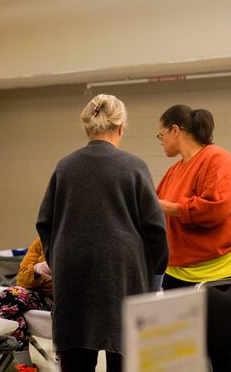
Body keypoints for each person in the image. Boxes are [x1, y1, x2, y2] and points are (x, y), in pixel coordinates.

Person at [36, 94, 169, 372]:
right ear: (121, 127)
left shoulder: (65, 166)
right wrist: (155, 278)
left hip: (73, 272)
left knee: (76, 350)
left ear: (87, 128)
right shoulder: (134, 166)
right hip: (124, 272)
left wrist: (57, 260)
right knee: (125, 352)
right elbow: (155, 228)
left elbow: (45, 222)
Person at [155, 104, 231, 372]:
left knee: (218, 348)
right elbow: (154, 204)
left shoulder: (216, 158)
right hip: (183, 269)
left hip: (225, 266)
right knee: (180, 347)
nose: (161, 142)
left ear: (175, 130)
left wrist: (171, 208)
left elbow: (216, 208)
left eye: (161, 135)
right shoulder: (174, 171)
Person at [0, 237, 53, 372]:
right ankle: (25, 366)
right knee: (7, 298)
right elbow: (22, 279)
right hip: (43, 296)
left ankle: (64, 365)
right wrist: (37, 270)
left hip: (71, 297)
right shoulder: (43, 240)